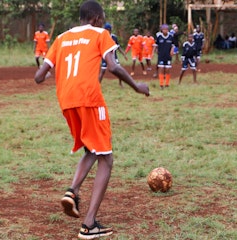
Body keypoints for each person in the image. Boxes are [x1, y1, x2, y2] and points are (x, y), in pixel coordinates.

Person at [34, 1, 150, 239]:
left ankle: (72, 191)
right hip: (89, 99)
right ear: (97, 18)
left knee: (92, 148)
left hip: (66, 102)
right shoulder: (101, 33)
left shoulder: (61, 38)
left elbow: (38, 76)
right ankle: (89, 224)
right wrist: (137, 86)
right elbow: (114, 67)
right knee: (106, 158)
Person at [153, 24, 175, 89]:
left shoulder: (171, 36)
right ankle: (161, 84)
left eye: (166, 29)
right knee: (161, 69)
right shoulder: (159, 36)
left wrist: (172, 50)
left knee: (167, 69)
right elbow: (156, 45)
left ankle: (167, 84)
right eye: (164, 29)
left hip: (168, 56)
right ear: (162, 30)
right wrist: (153, 53)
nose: (165, 30)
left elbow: (173, 45)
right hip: (161, 55)